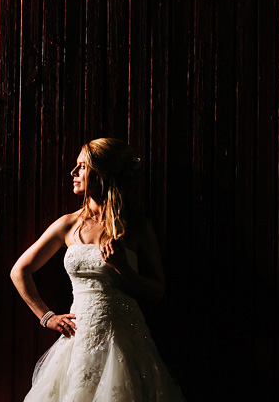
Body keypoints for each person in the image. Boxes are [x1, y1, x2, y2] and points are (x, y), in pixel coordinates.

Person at [10, 137, 186, 401]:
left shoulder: (137, 228)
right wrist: (47, 317)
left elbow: (157, 291)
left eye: (82, 166)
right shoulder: (68, 225)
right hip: (77, 341)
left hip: (124, 338)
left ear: (102, 174)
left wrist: (123, 269)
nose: (73, 172)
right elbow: (19, 270)